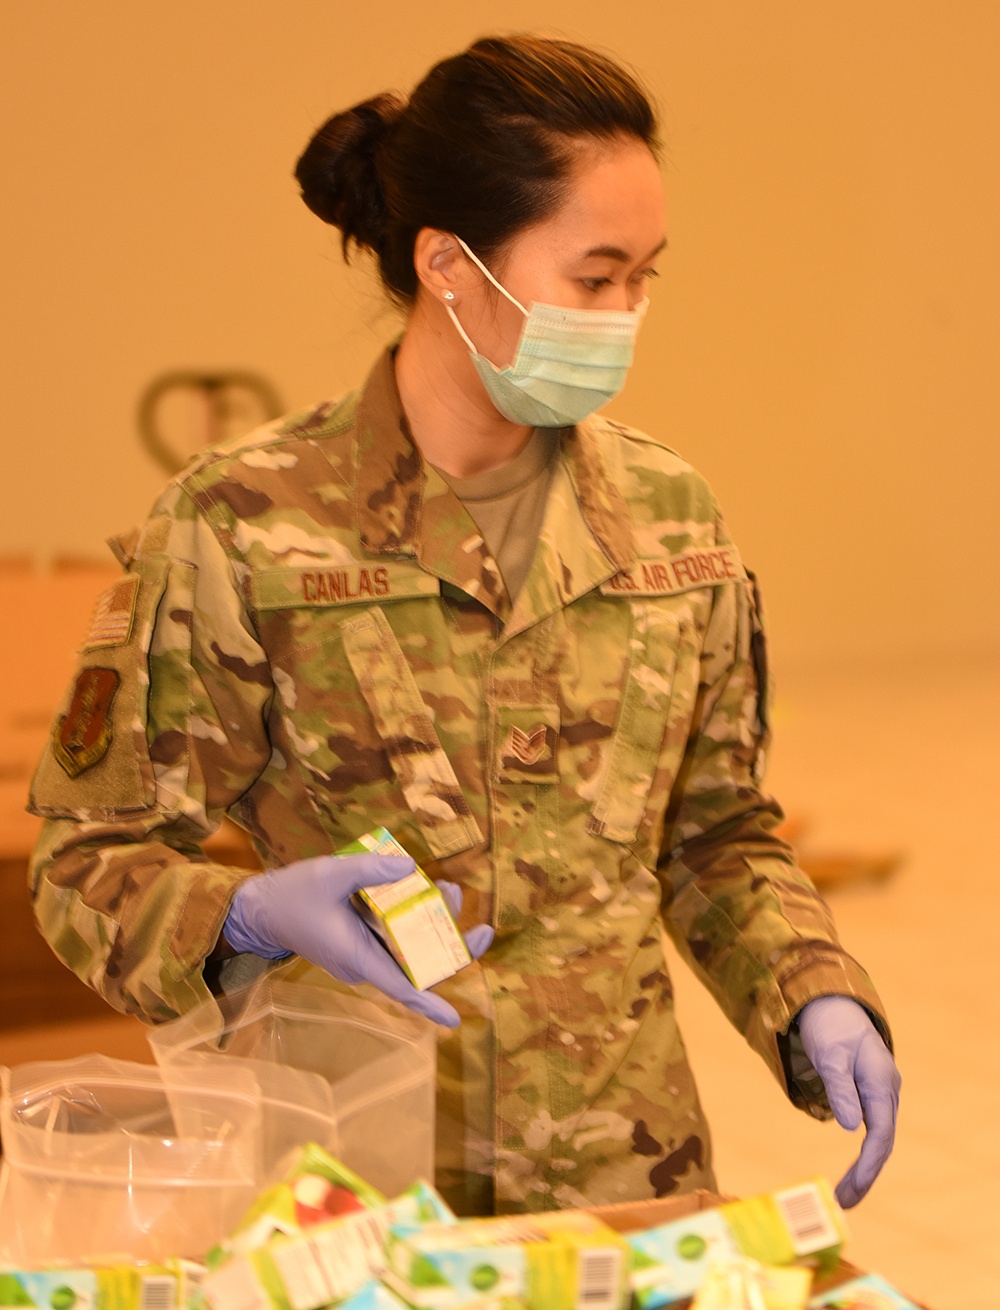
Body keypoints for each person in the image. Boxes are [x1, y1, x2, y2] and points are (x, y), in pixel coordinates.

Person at [28, 34, 899, 1218]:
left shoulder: (668, 517)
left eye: (645, 277)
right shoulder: (240, 525)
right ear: (448, 262)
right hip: (353, 1193)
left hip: (623, 1180)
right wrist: (239, 914)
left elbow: (715, 832)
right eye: (593, 279)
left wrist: (811, 988)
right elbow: (87, 867)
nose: (626, 313)